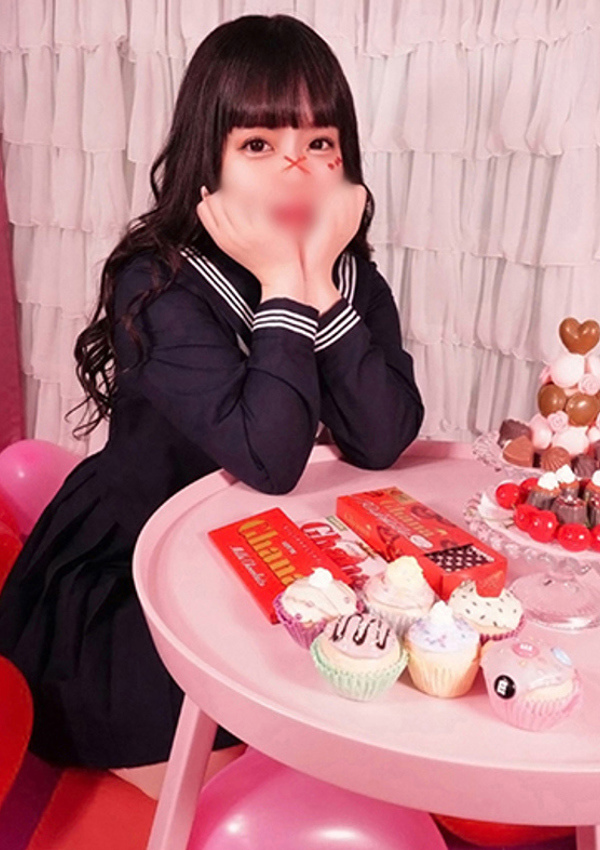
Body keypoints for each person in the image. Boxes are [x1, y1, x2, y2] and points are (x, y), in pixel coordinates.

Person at [0, 13, 424, 797]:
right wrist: (287, 286)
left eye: (319, 143)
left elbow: (383, 436)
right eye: (258, 145)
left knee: (371, 717)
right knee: (252, 770)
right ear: (210, 158)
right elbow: (269, 457)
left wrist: (320, 286)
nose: (294, 171)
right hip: (140, 565)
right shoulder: (159, 283)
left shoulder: (348, 275)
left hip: (281, 555)